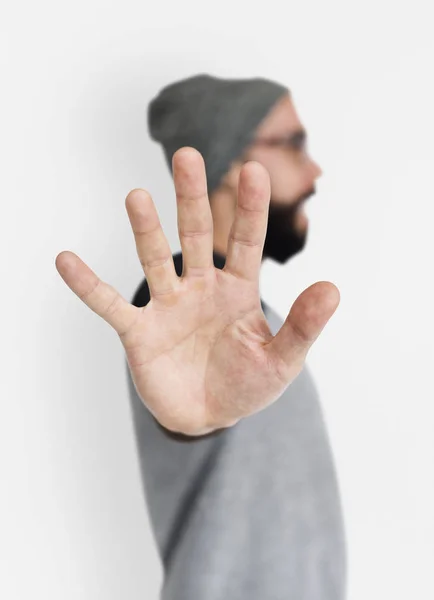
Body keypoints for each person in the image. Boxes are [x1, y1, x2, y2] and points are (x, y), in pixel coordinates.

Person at [55, 73, 347, 599]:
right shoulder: (170, 315)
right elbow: (188, 412)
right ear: (235, 163)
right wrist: (198, 421)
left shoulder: (259, 324)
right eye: (293, 144)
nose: (316, 168)